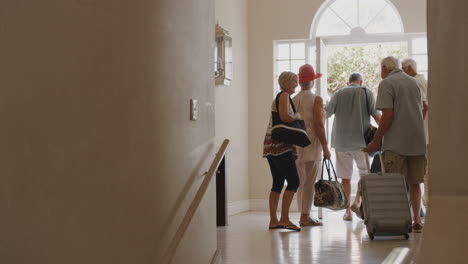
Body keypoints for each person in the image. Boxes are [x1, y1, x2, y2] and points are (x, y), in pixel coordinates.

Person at [367, 56, 426, 233]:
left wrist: (376, 140)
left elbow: (387, 115)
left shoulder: (387, 83)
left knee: (395, 183)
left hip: (396, 143)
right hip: (417, 140)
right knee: (415, 182)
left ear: (385, 68)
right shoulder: (413, 82)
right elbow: (424, 107)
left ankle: (399, 220)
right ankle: (416, 220)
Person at [325, 72, 381, 221]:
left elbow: (326, 112)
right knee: (364, 175)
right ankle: (357, 201)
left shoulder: (338, 94)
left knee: (345, 178)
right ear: (360, 82)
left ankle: (347, 211)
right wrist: (385, 132)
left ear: (348, 83)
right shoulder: (366, 92)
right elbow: (376, 114)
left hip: (341, 142)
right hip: (360, 142)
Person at [263, 71, 302, 231]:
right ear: (287, 82)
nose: (297, 85)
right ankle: (285, 218)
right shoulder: (284, 95)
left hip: (270, 145)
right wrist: (297, 116)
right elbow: (285, 117)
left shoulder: (281, 96)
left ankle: (274, 220)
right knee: (294, 181)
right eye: (295, 81)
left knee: (278, 183)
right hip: (280, 146)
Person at [293, 64, 331, 227]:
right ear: (312, 82)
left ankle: (302, 213)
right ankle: (305, 215)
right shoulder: (316, 99)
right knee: (310, 181)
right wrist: (325, 147)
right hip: (311, 143)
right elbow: (319, 125)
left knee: (300, 182)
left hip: (295, 144)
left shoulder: (292, 99)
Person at [402, 58, 429, 208]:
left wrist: (415, 127)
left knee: (419, 176)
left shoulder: (416, 82)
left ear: (409, 68)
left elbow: (424, 106)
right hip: (423, 134)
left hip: (420, 136)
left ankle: (421, 209)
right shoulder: (422, 80)